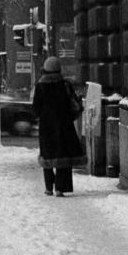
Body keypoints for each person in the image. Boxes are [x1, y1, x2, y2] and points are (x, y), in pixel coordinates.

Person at [32, 57, 85, 196]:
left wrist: (43, 116)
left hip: (46, 126)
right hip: (64, 124)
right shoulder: (65, 85)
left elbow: (36, 108)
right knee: (63, 155)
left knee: (47, 155)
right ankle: (61, 188)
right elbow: (73, 105)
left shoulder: (40, 86)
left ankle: (49, 187)